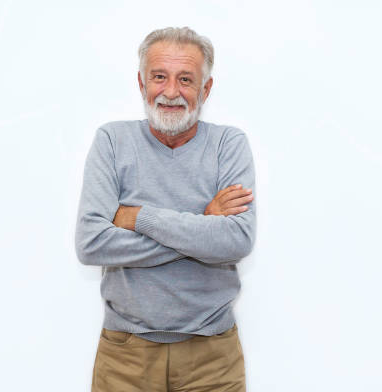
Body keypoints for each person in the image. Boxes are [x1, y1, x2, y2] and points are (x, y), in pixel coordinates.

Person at [74, 26, 256, 392]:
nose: (171, 92)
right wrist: (204, 225)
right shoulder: (112, 141)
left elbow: (236, 240)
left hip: (212, 357)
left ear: (205, 89)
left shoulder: (228, 144)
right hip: (125, 355)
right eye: (160, 77)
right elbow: (92, 243)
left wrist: (138, 216)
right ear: (142, 84)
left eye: (186, 79)